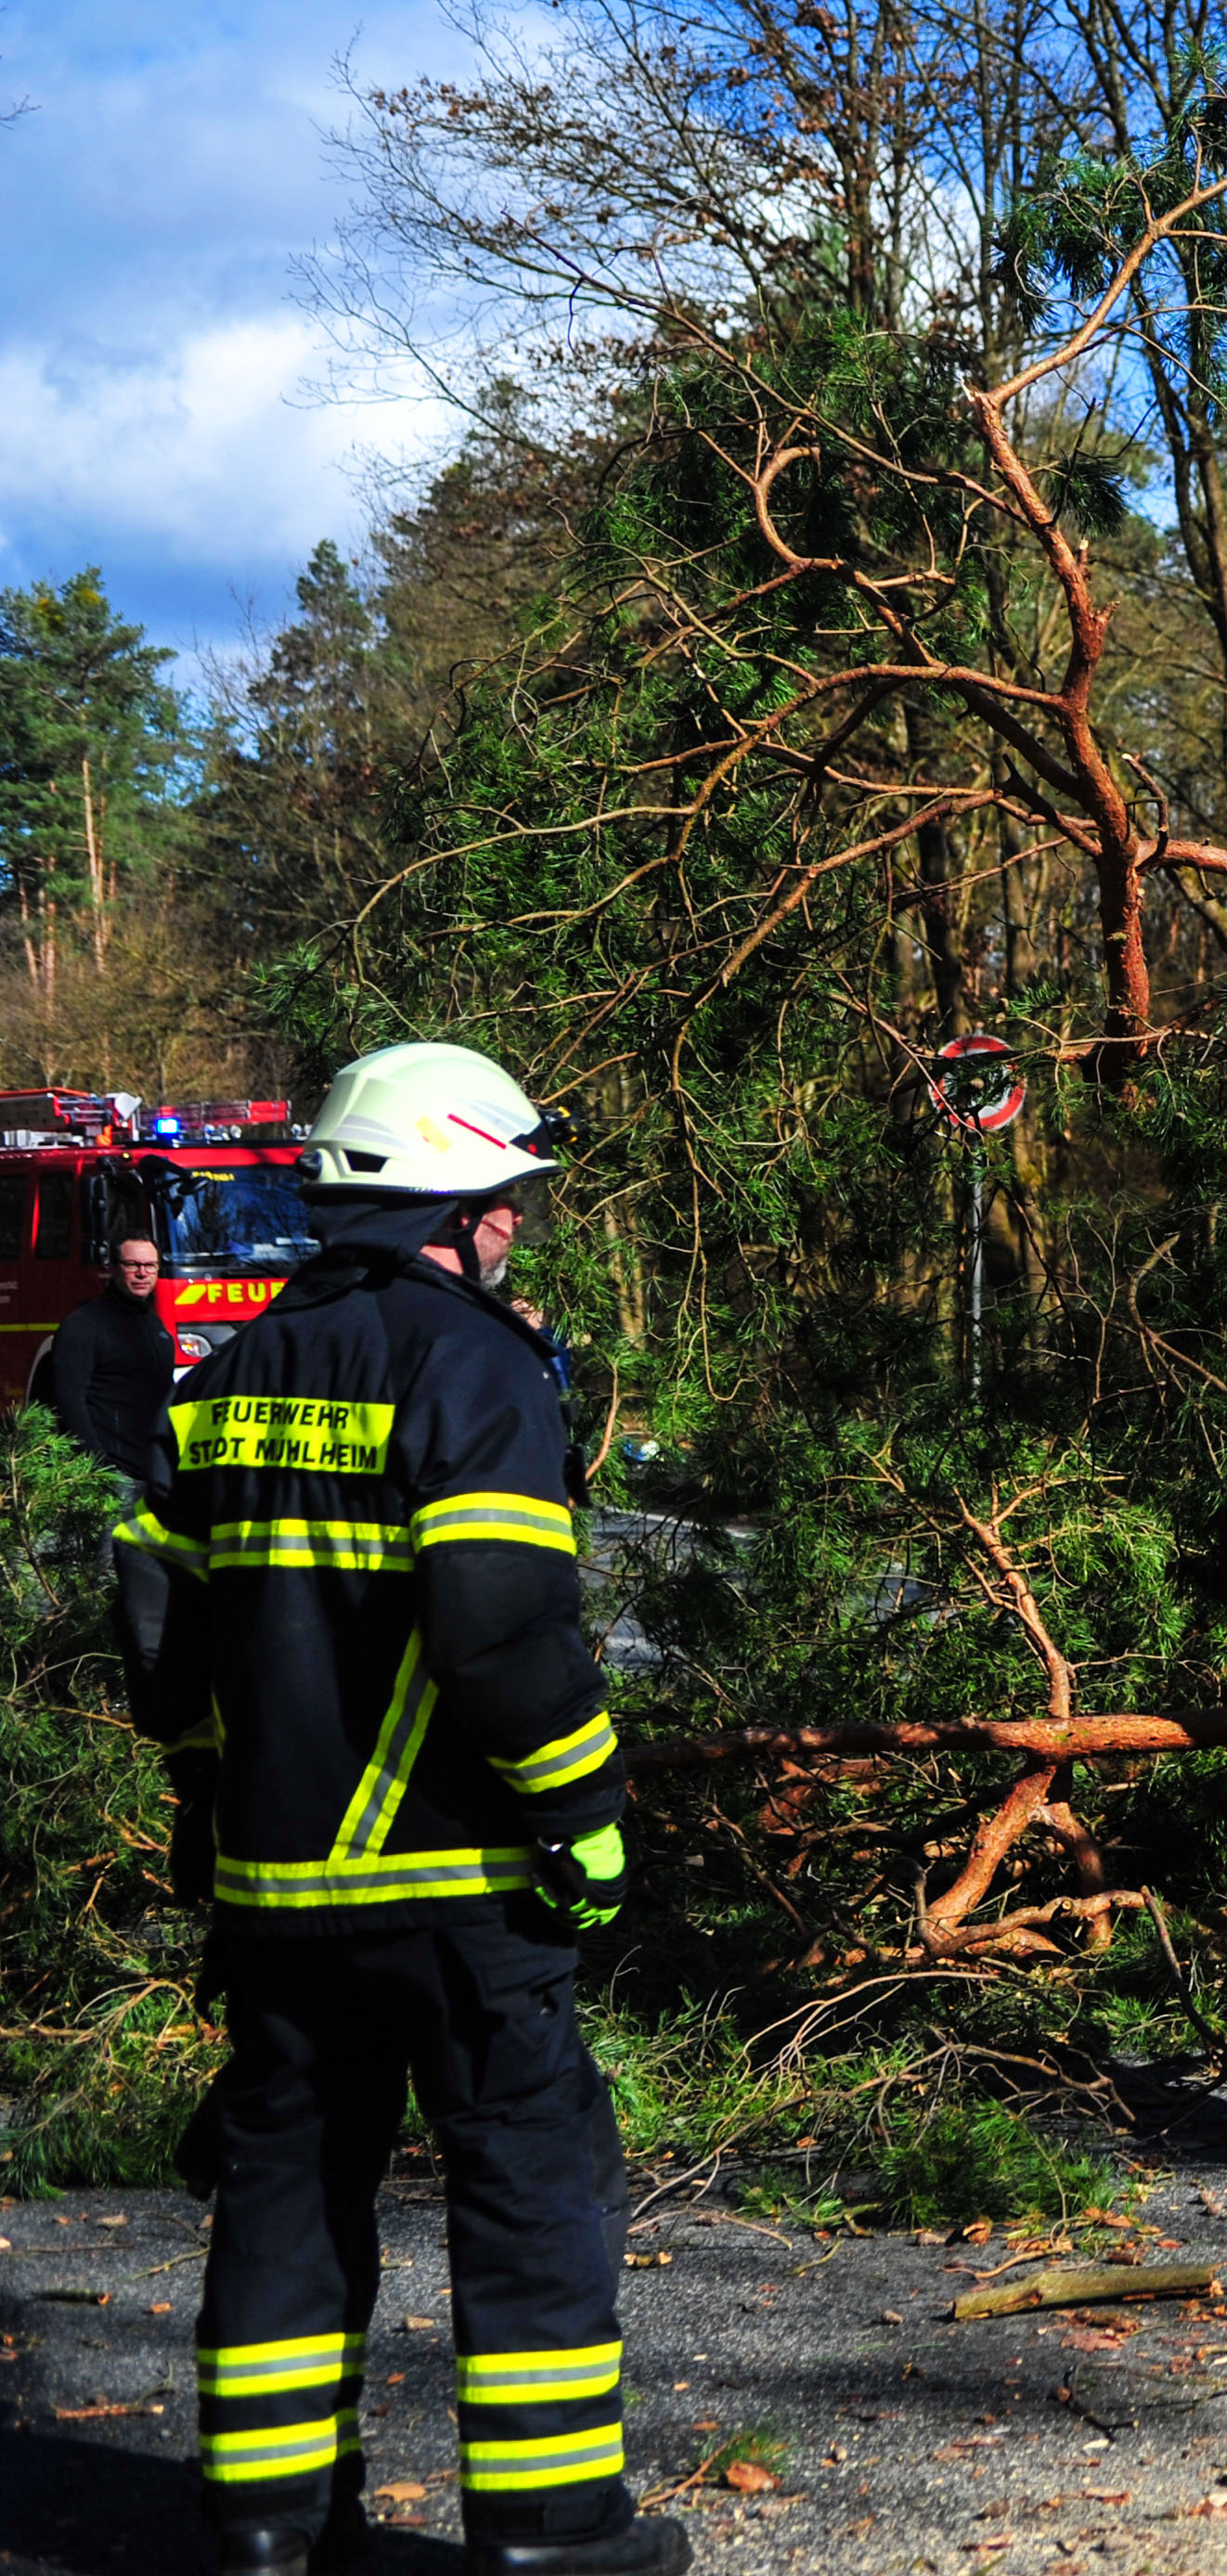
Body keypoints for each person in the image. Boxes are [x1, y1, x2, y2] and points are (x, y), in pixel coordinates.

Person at [123, 1042, 682, 2576]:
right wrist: (584, 1809)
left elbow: (157, 1623)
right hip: (452, 1878)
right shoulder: (471, 1362)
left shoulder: (234, 1367)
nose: (516, 1223)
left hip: (275, 1882)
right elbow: (500, 1618)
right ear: (456, 1200)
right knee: (529, 2170)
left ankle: (267, 2524)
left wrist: (213, 1780)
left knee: (291, 2177)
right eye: (506, 1195)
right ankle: (554, 2531)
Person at [36, 1230, 176, 1491]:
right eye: (132, 1264)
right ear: (111, 1268)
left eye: (150, 1265)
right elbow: (70, 1404)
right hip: (114, 1480)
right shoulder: (84, 1326)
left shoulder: (154, 1326)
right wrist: (99, 1470)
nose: (142, 1273)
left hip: (156, 1472)